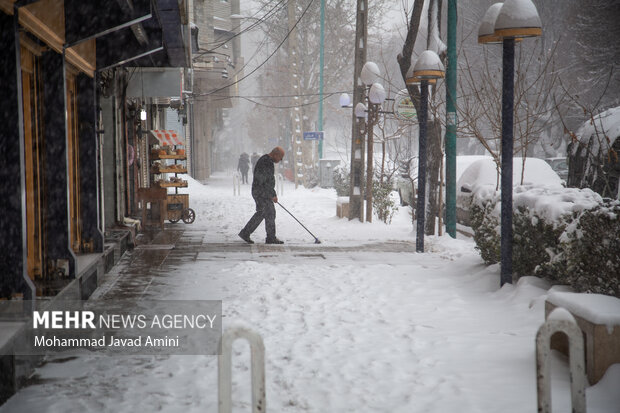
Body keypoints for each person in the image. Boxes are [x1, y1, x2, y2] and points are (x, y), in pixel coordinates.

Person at [238, 147, 285, 244]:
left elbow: (267, 180)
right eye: (280, 157)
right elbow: (266, 180)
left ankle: (247, 233)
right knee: (269, 212)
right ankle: (269, 237)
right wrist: (272, 194)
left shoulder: (266, 160)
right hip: (261, 192)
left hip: (260, 191)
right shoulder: (266, 162)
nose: (280, 160)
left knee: (264, 212)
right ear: (275, 154)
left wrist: (271, 193)